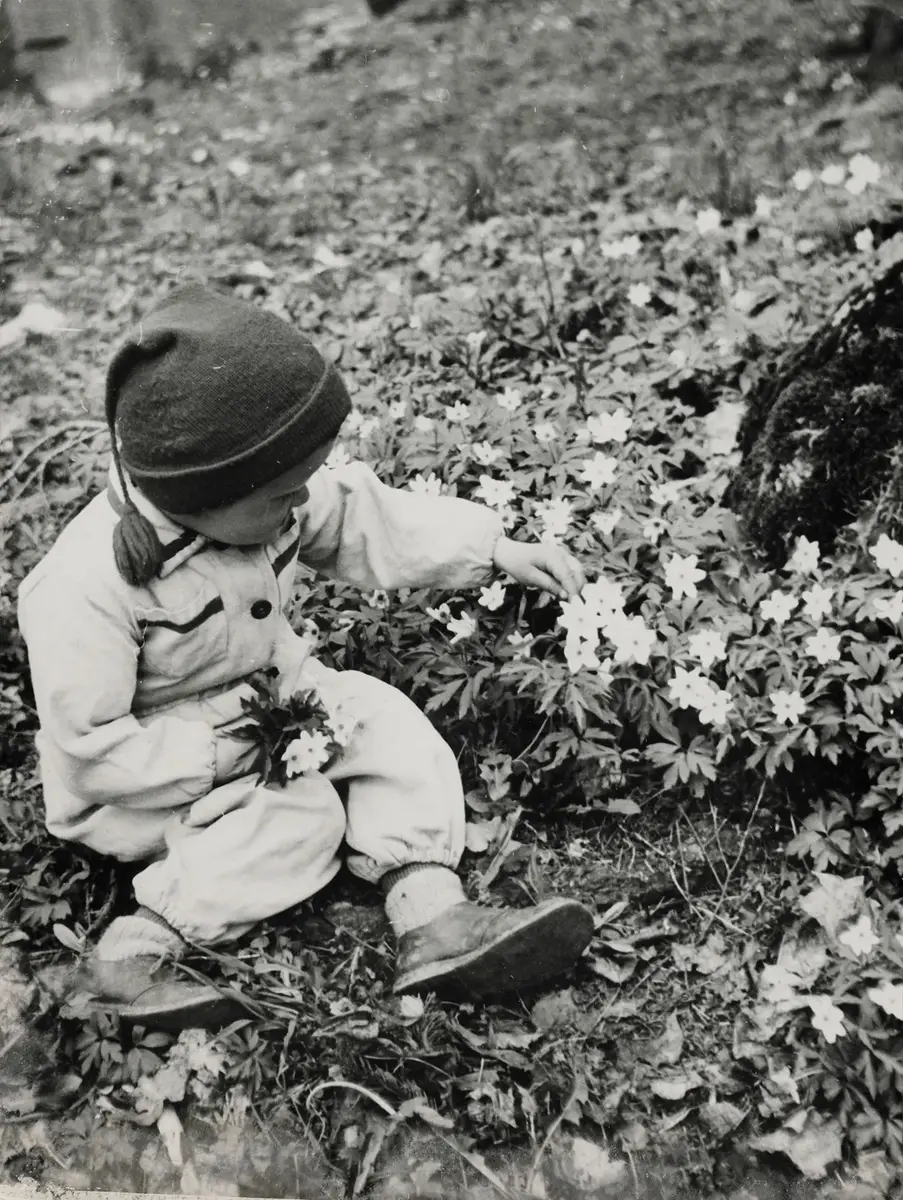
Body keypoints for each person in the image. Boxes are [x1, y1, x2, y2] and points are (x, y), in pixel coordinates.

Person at [17, 283, 595, 1031]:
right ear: (202, 495)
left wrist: (494, 549)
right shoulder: (84, 585)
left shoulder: (261, 498)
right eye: (283, 495)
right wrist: (225, 756)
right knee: (298, 818)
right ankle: (131, 960)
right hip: (148, 777)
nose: (298, 505)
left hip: (280, 709)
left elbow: (360, 517)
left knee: (384, 720)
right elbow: (88, 750)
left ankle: (433, 915)